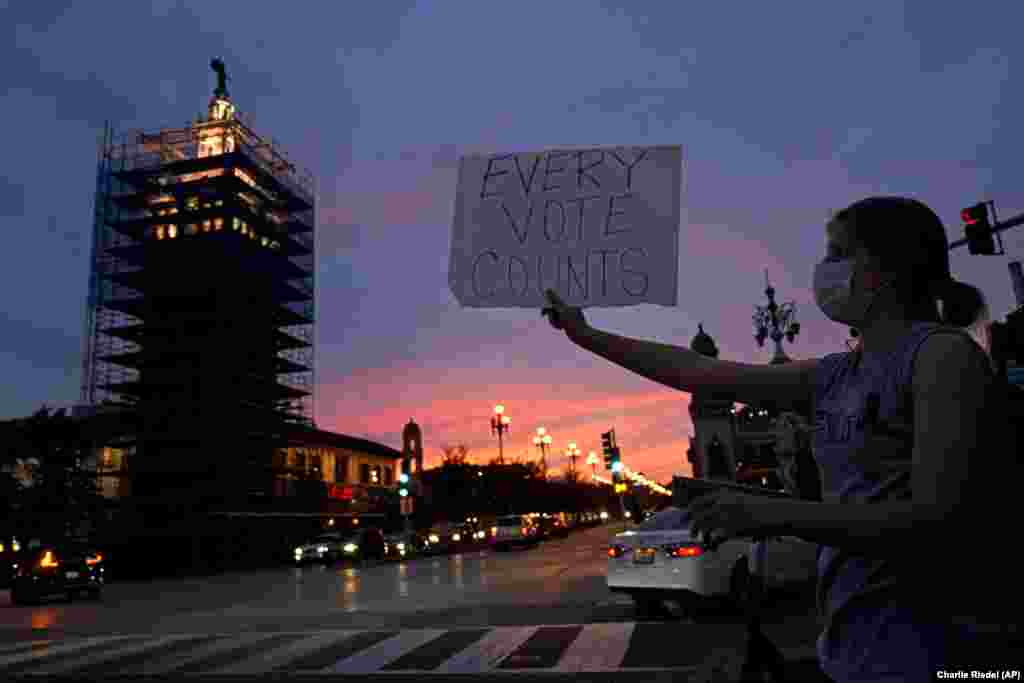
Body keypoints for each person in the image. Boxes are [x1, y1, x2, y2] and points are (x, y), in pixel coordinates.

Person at [543, 196, 1016, 681]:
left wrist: (773, 514)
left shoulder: (941, 357)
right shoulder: (839, 373)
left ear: (880, 268)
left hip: (935, 655)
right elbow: (700, 371)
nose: (823, 270)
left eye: (836, 254)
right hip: (856, 647)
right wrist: (586, 335)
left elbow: (938, 521)